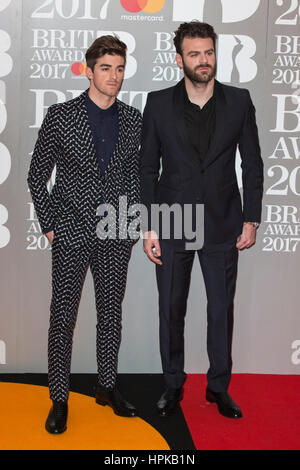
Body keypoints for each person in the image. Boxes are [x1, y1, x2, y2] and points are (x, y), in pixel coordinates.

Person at [140, 22, 263, 419]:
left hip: (223, 223)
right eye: (194, 54)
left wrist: (252, 218)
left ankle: (218, 388)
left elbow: (253, 163)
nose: (203, 60)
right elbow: (146, 168)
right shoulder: (158, 103)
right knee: (171, 309)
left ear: (215, 55)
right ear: (180, 60)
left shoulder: (239, 101)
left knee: (220, 310)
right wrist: (149, 225)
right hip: (173, 220)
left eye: (208, 52)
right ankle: (173, 384)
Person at [28, 35, 142, 434]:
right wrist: (50, 225)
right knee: (63, 317)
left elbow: (133, 177)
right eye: (106, 68)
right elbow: (36, 177)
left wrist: (130, 227)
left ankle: (106, 386)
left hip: (115, 231)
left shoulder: (132, 119)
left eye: (120, 68)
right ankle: (58, 398)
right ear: (89, 69)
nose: (114, 76)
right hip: (71, 231)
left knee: (111, 314)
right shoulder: (61, 116)